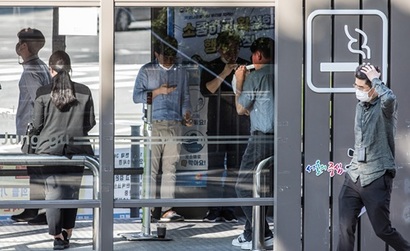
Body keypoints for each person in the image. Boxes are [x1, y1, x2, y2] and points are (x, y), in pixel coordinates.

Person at [337, 63, 410, 251]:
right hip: (354, 176)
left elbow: (390, 97)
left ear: (374, 88)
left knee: (382, 230)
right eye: (355, 86)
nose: (357, 91)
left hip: (377, 176)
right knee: (345, 227)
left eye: (361, 87)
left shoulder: (386, 108)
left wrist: (376, 79)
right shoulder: (360, 106)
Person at [31, 50, 96, 250]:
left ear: (51, 70)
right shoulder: (84, 91)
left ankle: (57, 236)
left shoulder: (43, 92)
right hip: (77, 149)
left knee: (53, 192)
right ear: (69, 68)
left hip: (49, 150)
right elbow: (90, 123)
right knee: (71, 192)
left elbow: (36, 124)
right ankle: (68, 231)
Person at [133, 35, 193, 222]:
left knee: (170, 168)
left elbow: (185, 98)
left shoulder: (181, 71)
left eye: (172, 57)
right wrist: (159, 91)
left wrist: (187, 114)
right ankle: (149, 210)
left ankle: (168, 209)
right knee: (151, 169)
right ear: (156, 54)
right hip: (153, 124)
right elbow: (137, 97)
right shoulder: (147, 70)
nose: (169, 61)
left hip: (175, 123)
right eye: (165, 56)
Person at [200, 31, 250, 223]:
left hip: (240, 125)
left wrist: (240, 75)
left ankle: (229, 208)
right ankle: (213, 208)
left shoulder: (246, 65)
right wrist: (225, 72)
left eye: (236, 48)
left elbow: (253, 91)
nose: (233, 53)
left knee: (235, 169)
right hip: (217, 124)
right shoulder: (211, 65)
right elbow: (207, 90)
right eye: (228, 49)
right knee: (214, 168)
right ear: (220, 49)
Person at [232, 37, 275, 250]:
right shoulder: (285, 73)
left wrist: (240, 81)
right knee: (264, 187)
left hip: (261, 138)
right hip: (284, 138)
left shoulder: (256, 77)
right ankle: (250, 233)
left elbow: (241, 108)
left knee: (243, 185)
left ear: (257, 55)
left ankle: (263, 232)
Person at [11, 27, 51, 225]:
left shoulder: (30, 72)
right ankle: (35, 209)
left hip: (33, 130)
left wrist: (34, 129)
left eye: (19, 42)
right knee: (36, 170)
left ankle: (39, 211)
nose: (17, 46)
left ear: (24, 46)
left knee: (37, 170)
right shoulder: (40, 66)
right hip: (38, 130)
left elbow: (39, 101)